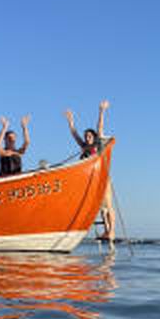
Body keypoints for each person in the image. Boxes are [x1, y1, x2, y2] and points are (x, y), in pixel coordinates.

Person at [65, 100, 114, 243]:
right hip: (91, 181)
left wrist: (101, 111)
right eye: (86, 136)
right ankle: (106, 231)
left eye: (89, 136)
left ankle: (111, 231)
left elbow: (100, 128)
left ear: (94, 137)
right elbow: (74, 134)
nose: (87, 138)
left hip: (102, 179)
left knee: (108, 205)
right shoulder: (84, 147)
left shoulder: (98, 145)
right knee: (101, 208)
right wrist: (70, 122)